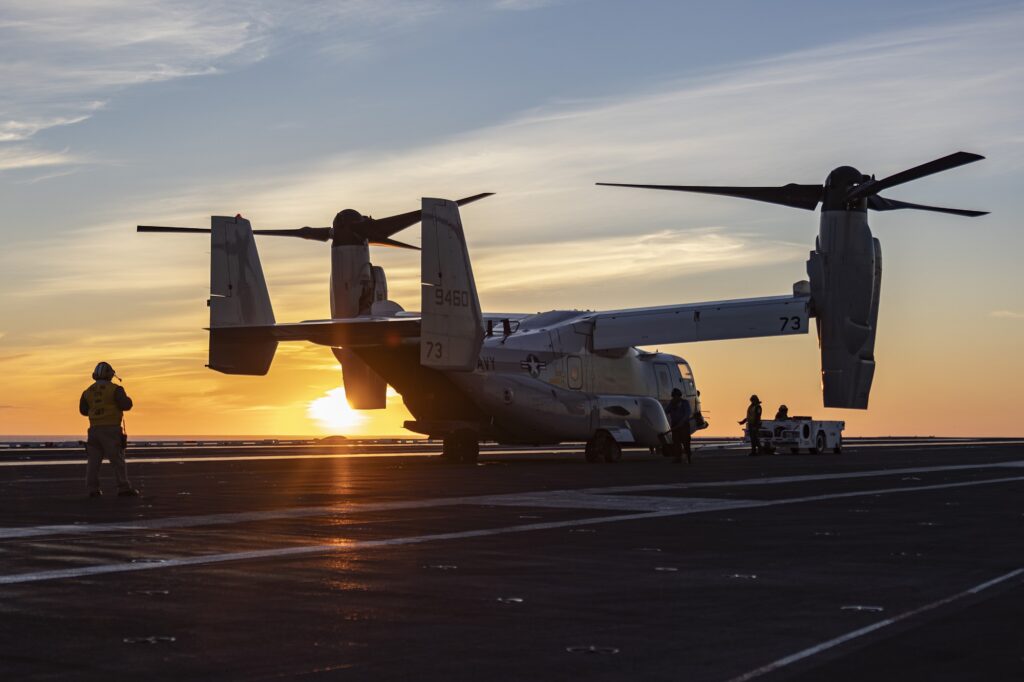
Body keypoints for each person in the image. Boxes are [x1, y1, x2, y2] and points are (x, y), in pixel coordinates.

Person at [79, 362, 139, 497]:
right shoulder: (115, 389)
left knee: (93, 462)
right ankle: (123, 487)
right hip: (111, 429)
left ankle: (92, 489)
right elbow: (126, 405)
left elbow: (83, 411)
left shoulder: (87, 392)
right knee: (117, 460)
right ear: (110, 375)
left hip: (93, 430)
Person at [664, 388, 692, 464]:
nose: (675, 398)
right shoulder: (671, 404)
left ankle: (688, 457)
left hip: (684, 425)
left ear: (679, 396)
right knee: (676, 442)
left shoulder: (685, 403)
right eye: (674, 396)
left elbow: (687, 413)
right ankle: (678, 458)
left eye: (676, 396)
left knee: (686, 442)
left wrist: (682, 422)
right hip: (675, 425)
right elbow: (665, 412)